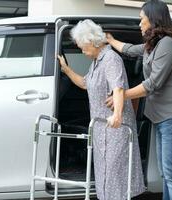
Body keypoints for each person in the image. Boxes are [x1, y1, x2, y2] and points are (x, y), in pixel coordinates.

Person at [106, 0, 172, 199]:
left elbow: (153, 83)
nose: (139, 24)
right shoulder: (153, 44)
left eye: (142, 19)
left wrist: (120, 94)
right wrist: (110, 40)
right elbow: (130, 50)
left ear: (154, 19)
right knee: (167, 174)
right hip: (163, 118)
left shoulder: (168, 43)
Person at [57, 19, 145, 200]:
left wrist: (117, 115)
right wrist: (65, 69)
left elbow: (118, 88)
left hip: (115, 129)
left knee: (116, 178)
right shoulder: (97, 61)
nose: (81, 50)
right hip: (101, 130)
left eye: (82, 46)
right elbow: (84, 83)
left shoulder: (111, 59)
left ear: (91, 41)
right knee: (105, 176)